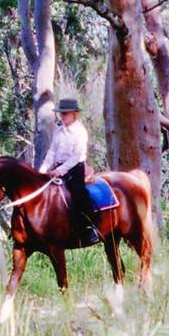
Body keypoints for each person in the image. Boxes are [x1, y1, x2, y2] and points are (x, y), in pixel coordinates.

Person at [39, 98, 99, 245]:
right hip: (58, 168)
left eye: (65, 113)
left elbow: (77, 156)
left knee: (78, 193)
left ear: (74, 114)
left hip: (75, 169)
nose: (62, 116)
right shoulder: (58, 131)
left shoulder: (80, 132)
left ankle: (88, 228)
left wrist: (60, 170)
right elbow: (52, 152)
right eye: (61, 113)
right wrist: (42, 170)